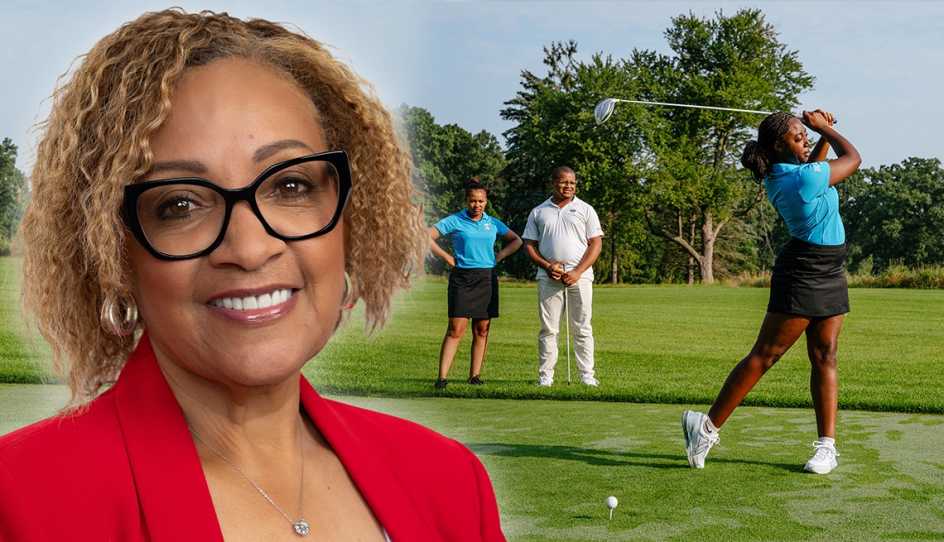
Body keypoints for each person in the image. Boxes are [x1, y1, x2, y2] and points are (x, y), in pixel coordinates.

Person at [0, 10, 505, 541]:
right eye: (180, 204)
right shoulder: (21, 503)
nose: (249, 247)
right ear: (113, 252)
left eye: (290, 187)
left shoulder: (449, 483)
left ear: (351, 220)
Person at [682, 109, 861, 475]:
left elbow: (815, 165)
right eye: (799, 136)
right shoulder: (800, 180)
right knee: (766, 355)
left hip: (828, 267)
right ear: (780, 144)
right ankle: (706, 428)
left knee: (825, 355)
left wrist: (819, 134)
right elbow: (854, 159)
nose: (806, 139)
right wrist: (825, 128)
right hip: (803, 271)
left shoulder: (792, 173)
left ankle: (827, 447)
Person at [428, 179, 522, 388]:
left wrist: (498, 257)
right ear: (466, 201)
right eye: (472, 201)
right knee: (456, 329)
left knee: (482, 329)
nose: (476, 205)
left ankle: (474, 376)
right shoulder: (455, 220)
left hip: (486, 278)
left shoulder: (492, 222)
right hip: (462, 278)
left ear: (486, 202)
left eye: (480, 201)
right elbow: (426, 236)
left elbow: (517, 240)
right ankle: (442, 378)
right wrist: (446, 257)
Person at [522, 166, 604, 387]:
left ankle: (587, 375)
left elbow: (596, 243)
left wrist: (577, 271)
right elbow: (529, 244)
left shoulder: (586, 209)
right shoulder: (538, 211)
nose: (569, 186)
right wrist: (547, 266)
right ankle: (545, 376)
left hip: (581, 276)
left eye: (572, 183)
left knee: (583, 327)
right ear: (553, 183)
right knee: (549, 328)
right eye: (564, 182)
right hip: (549, 277)